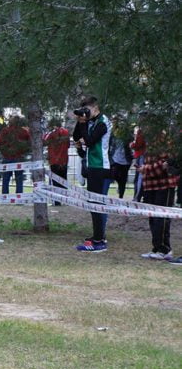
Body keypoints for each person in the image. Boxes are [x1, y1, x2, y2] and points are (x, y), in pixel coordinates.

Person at [73, 96, 112, 252]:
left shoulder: (103, 122)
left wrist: (84, 124)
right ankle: (97, 235)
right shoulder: (91, 121)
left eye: (87, 110)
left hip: (100, 167)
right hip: (92, 166)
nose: (86, 113)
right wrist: (80, 121)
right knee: (93, 204)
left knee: (98, 204)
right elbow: (76, 136)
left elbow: (89, 141)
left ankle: (99, 241)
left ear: (95, 108)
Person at [137, 118, 179, 260]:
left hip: (164, 185)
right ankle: (157, 248)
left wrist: (146, 169)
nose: (142, 126)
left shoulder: (163, 138)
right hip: (150, 186)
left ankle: (164, 249)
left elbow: (166, 163)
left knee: (161, 218)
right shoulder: (147, 140)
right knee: (153, 218)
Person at [44, 118, 70, 204]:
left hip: (54, 160)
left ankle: (57, 201)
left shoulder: (51, 133)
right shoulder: (66, 132)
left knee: (55, 181)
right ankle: (65, 200)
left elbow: (44, 140)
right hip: (64, 160)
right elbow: (68, 145)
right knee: (64, 180)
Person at [109, 116, 133, 199]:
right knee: (114, 175)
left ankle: (121, 197)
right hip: (115, 158)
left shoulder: (128, 133)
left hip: (126, 160)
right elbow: (109, 143)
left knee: (123, 179)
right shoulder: (113, 132)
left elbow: (131, 139)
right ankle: (119, 186)